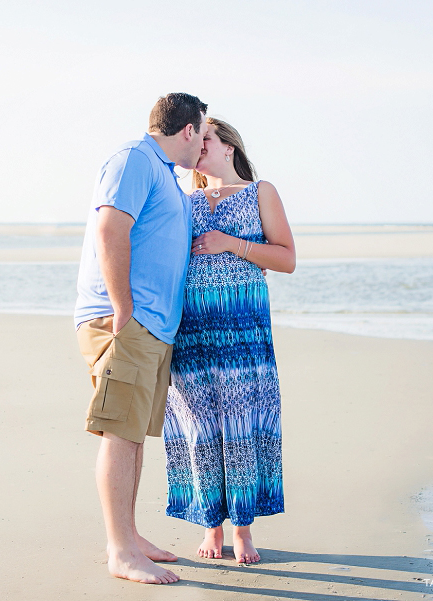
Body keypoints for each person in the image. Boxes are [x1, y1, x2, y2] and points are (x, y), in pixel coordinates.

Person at [74, 93, 207, 585]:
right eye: (203, 132)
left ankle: (131, 538)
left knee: (132, 438)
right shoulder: (135, 159)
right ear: (189, 130)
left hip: (153, 327)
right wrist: (124, 309)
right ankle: (120, 550)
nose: (203, 144)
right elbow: (111, 228)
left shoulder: (164, 174)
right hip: (127, 323)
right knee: (119, 433)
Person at [163, 117, 295, 565]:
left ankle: (243, 527)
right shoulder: (184, 200)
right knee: (198, 425)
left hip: (243, 329)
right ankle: (209, 522)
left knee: (241, 422)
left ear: (229, 147)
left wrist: (229, 243)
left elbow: (286, 258)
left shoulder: (261, 192)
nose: (199, 147)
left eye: (207, 139)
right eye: (196, 140)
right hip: (193, 330)